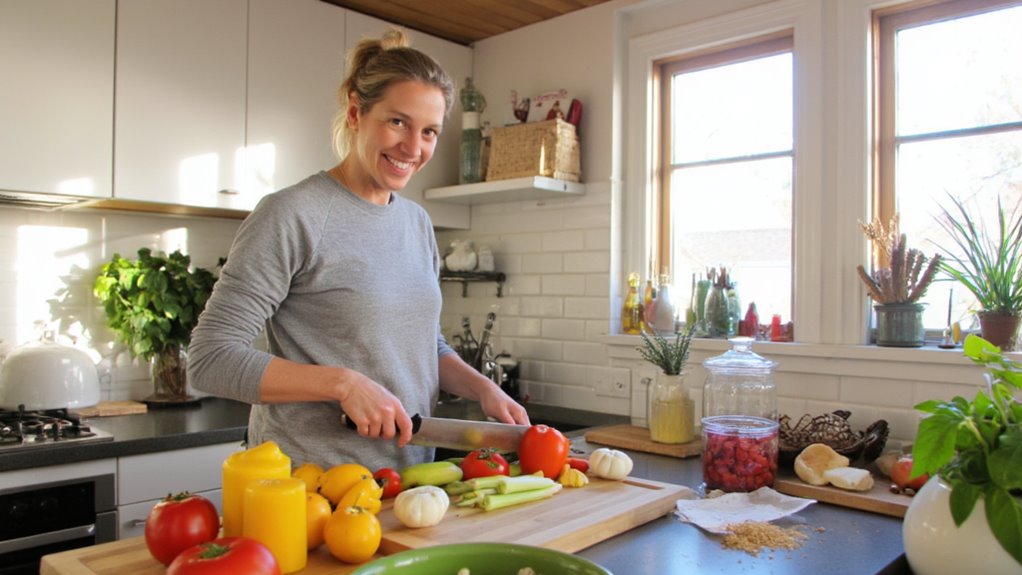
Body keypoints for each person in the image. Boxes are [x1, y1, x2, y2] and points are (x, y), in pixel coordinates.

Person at [188, 29, 528, 473]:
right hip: (309, 490)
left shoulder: (417, 223)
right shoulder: (293, 214)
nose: (413, 147)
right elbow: (210, 358)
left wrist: (484, 388)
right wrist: (343, 384)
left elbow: (425, 346)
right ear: (355, 112)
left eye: (429, 131)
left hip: (404, 482)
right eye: (397, 122)